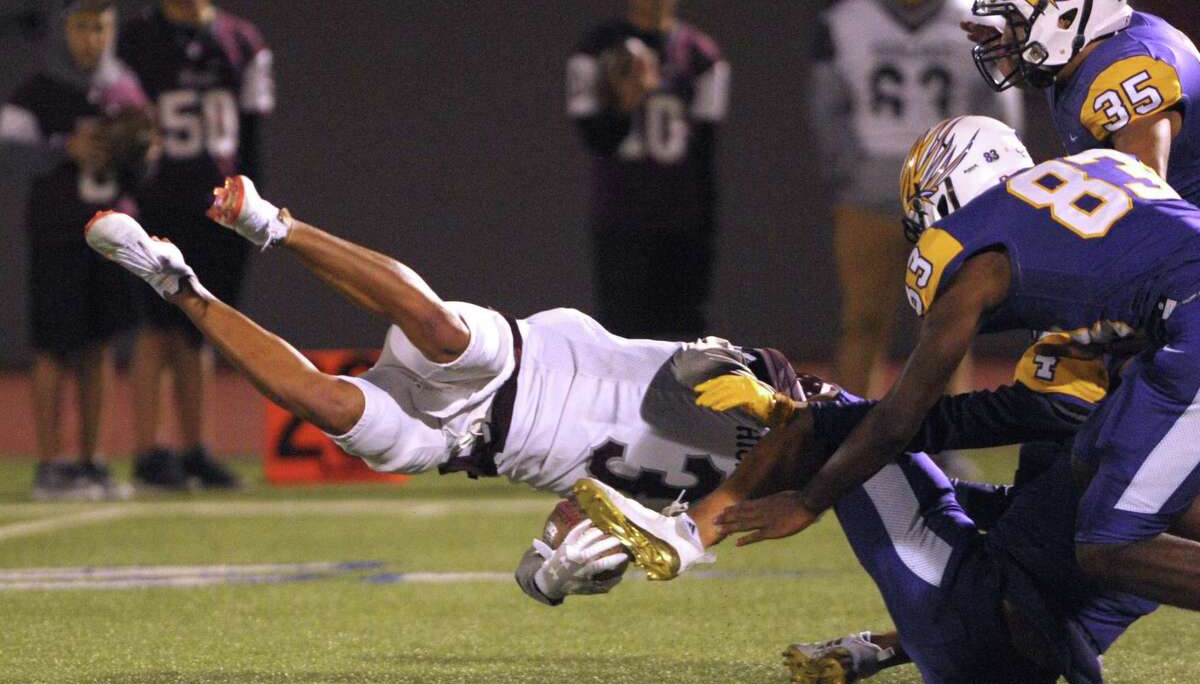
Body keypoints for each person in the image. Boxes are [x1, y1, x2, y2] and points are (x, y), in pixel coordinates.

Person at [615, 115, 1200, 615]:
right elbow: (1049, 406)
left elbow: (902, 416)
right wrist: (825, 421)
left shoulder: (980, 253)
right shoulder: (1100, 174)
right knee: (1122, 471)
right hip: (1183, 321)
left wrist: (811, 499)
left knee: (1108, 542)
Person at [85, 174, 808, 523]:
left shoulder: (711, 500)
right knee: (442, 334)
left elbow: (584, 511)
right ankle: (274, 225)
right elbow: (698, 371)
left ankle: (175, 282)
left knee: (326, 404)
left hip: (467, 443)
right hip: (530, 363)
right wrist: (773, 410)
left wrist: (566, 562)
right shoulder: (739, 384)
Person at [568, 332, 1157, 684]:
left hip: (969, 617)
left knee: (832, 412)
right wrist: (884, 646)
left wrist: (791, 415)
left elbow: (922, 425)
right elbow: (1043, 558)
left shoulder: (1116, 423)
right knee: (870, 450)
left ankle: (690, 532)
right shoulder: (1161, 475)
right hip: (1010, 675)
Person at [813, 0, 1022, 398]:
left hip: (950, 201)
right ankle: (847, 429)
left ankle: (949, 438)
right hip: (869, 193)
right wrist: (847, 170)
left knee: (951, 324)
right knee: (863, 323)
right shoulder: (846, 20)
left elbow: (1001, 105)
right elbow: (827, 107)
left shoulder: (977, 18)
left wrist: (992, 183)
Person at [117, 0, 275, 490]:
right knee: (157, 327)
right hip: (155, 201)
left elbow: (254, 132)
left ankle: (194, 447)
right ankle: (148, 449)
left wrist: (254, 202)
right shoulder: (133, 41)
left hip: (218, 204)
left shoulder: (244, 41)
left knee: (202, 325)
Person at [0, 0, 153, 500]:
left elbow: (145, 170)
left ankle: (93, 461)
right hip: (60, 232)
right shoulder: (37, 91)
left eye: (103, 27)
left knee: (101, 346)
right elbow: (11, 155)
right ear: (63, 31)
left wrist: (139, 152)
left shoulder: (125, 88)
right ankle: (50, 464)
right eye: (84, 27)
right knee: (53, 349)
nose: (94, 38)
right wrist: (65, 146)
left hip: (114, 237)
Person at [966, 0, 1200, 201]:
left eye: (1015, 22)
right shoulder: (1091, 45)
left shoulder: (1128, 74)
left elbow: (1144, 202)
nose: (1007, 37)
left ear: (1065, 16)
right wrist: (1015, 45)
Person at [566, 0, 729, 341]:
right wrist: (626, 100)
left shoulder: (703, 56)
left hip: (681, 216)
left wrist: (707, 225)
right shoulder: (594, 50)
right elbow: (596, 140)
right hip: (621, 214)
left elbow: (705, 152)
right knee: (620, 336)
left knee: (686, 339)